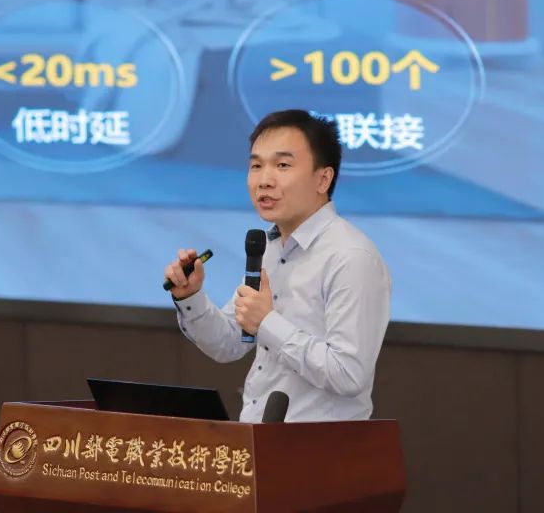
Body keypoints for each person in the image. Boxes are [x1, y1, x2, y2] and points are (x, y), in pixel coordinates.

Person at [163, 109, 391, 422]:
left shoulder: (350, 257)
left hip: (319, 446)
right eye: (256, 166)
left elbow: (348, 374)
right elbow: (231, 342)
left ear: (323, 179)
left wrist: (267, 322)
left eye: (282, 165)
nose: (264, 181)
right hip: (261, 439)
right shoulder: (271, 248)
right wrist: (190, 296)